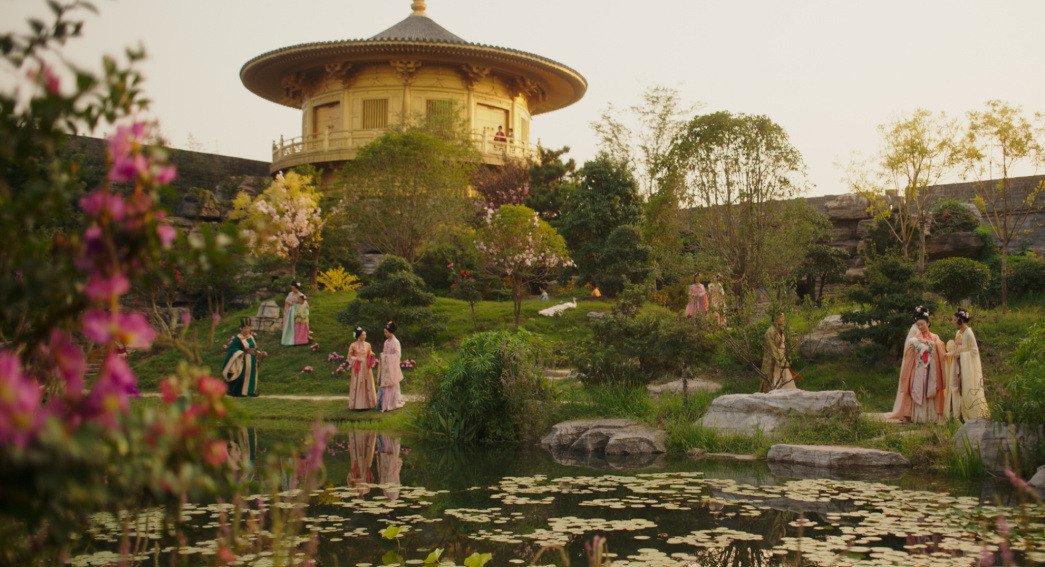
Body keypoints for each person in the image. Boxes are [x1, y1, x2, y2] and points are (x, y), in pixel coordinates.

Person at [887, 307, 945, 423]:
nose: (920, 327)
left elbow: (940, 347)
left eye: (922, 324)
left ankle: (932, 417)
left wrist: (930, 343)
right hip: (919, 368)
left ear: (928, 323)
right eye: (918, 325)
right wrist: (917, 345)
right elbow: (909, 352)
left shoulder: (935, 337)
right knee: (919, 389)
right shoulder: (915, 338)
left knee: (931, 388)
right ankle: (919, 416)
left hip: (932, 367)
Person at [953, 309, 989, 421]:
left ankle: (971, 411)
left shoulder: (969, 332)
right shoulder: (958, 333)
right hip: (959, 364)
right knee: (959, 386)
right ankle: (961, 411)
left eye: (955, 319)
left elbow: (974, 351)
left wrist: (962, 355)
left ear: (960, 320)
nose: (954, 321)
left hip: (967, 365)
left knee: (967, 386)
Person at [223, 318, 261, 397]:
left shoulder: (251, 337)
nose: (247, 330)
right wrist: (242, 352)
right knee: (242, 376)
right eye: (245, 328)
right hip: (243, 361)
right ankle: (240, 392)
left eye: (249, 327)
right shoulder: (238, 338)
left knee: (252, 376)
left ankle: (251, 392)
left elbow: (254, 347)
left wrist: (259, 353)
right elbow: (232, 348)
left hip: (252, 359)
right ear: (241, 328)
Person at [761, 313, 795, 392]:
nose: (783, 319)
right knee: (771, 379)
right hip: (773, 359)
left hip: (780, 357)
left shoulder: (780, 329)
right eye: (781, 317)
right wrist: (781, 361)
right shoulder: (770, 332)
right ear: (776, 318)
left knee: (785, 378)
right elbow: (772, 348)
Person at [378, 321, 406, 412]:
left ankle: (393, 403)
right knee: (385, 385)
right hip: (386, 367)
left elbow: (398, 355)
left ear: (391, 332)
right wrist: (383, 356)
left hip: (392, 367)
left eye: (386, 332)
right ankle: (384, 403)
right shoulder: (386, 342)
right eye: (384, 332)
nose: (385, 334)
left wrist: (387, 357)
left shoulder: (396, 342)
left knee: (392, 384)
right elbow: (385, 352)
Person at [348, 327, 377, 411]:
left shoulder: (368, 344)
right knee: (358, 383)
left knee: (367, 382)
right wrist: (356, 359)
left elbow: (369, 352)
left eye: (365, 334)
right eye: (363, 335)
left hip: (366, 366)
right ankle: (358, 405)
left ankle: (369, 404)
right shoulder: (353, 345)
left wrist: (371, 354)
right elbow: (349, 356)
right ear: (359, 336)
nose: (365, 336)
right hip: (358, 366)